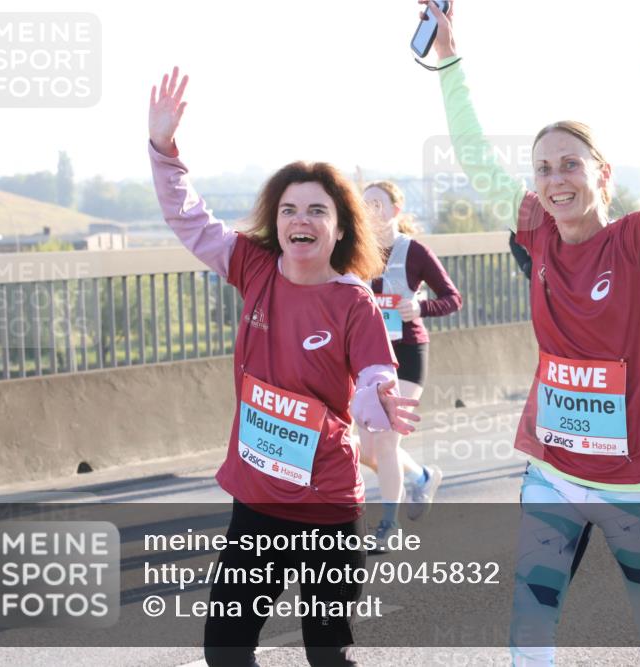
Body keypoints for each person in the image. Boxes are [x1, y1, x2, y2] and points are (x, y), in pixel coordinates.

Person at [421, 1, 640, 665]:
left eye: (570, 165)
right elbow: (474, 157)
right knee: (530, 628)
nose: (555, 181)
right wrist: (450, 61)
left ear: (602, 173)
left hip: (633, 476)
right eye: (544, 169)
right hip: (553, 469)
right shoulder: (536, 232)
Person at [148, 67, 419, 667]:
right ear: (276, 221)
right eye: (290, 209)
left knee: (327, 656)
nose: (301, 220)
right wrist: (164, 149)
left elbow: (376, 372)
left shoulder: (353, 301)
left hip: (326, 507)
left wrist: (378, 399)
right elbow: (188, 218)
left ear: (339, 228)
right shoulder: (252, 267)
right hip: (257, 503)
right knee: (225, 652)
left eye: (317, 210)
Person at [357, 181, 462, 548]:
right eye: (365, 204)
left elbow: (452, 298)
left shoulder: (414, 251)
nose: (371, 210)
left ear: (395, 210)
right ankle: (421, 477)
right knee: (368, 451)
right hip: (369, 358)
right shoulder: (353, 250)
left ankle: (389, 525)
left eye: (378, 203)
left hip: (407, 354)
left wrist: (419, 307)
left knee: (386, 440)